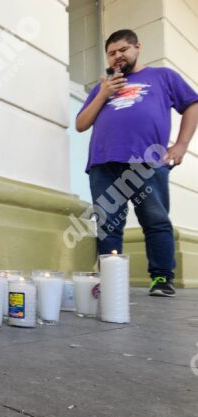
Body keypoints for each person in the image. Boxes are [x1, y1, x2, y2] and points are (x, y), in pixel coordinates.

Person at [76, 29, 198, 297]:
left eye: (122, 50)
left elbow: (192, 104)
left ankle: (162, 279)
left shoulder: (162, 77)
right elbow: (81, 124)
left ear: (137, 47)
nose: (117, 56)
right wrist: (102, 93)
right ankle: (110, 281)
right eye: (111, 53)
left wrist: (181, 145)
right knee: (108, 224)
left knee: (155, 219)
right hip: (103, 162)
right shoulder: (102, 87)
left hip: (147, 161)